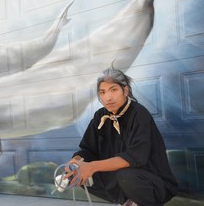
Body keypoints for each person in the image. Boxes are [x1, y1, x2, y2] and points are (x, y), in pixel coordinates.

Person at [65, 68, 178, 206]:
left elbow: (135, 157)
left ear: (125, 91)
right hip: (120, 180)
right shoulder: (100, 116)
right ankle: (127, 202)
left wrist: (92, 166)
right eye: (103, 92)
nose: (108, 97)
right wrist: (76, 161)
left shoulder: (139, 114)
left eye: (113, 90)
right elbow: (88, 150)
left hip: (151, 181)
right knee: (80, 174)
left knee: (126, 175)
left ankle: (144, 202)